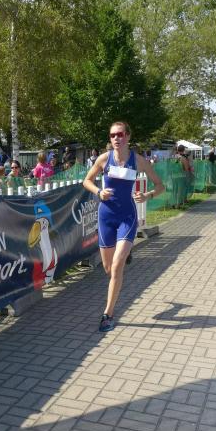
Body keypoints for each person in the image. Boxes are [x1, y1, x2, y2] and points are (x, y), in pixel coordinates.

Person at [83, 121, 165, 332]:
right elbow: (87, 181)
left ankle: (108, 314)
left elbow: (160, 185)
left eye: (120, 134)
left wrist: (147, 195)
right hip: (106, 217)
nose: (116, 138)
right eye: (112, 135)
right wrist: (99, 192)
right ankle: (125, 253)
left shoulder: (138, 161)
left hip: (127, 217)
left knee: (117, 266)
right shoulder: (104, 159)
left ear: (128, 136)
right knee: (108, 269)